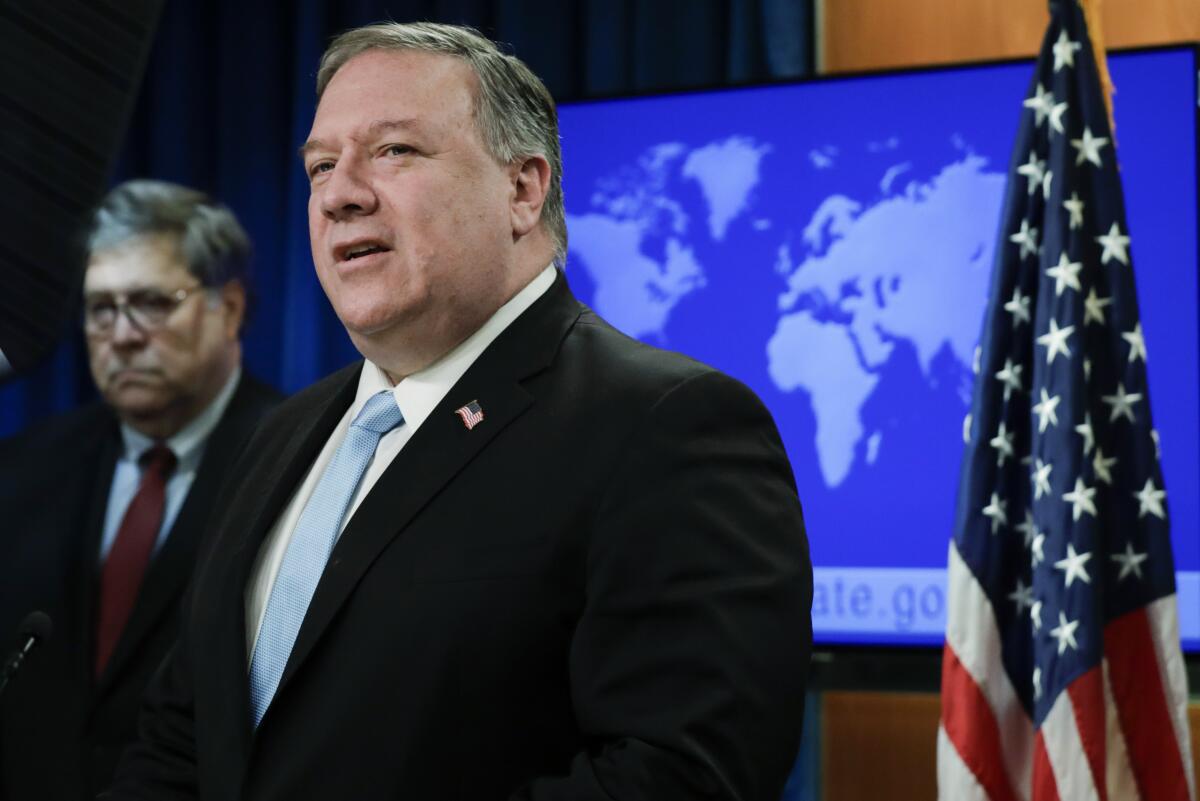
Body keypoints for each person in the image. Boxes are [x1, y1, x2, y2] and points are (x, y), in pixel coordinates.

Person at [107, 23, 812, 801]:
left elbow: (684, 774)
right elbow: (183, 739)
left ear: (522, 188)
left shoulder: (667, 425)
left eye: (394, 151)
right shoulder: (282, 434)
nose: (340, 194)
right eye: (320, 166)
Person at [0, 180, 281, 800]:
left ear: (228, 308)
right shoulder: (22, 470)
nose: (122, 334)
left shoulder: (297, 462)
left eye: (152, 303)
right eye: (102, 308)